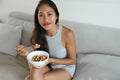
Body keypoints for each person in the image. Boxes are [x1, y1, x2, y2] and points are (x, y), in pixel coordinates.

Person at [16, 0, 76, 80]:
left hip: (64, 68)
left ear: (56, 16)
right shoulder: (36, 32)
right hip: (47, 66)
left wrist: (51, 60)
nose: (45, 19)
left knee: (37, 78)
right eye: (41, 15)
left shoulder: (67, 34)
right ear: (37, 18)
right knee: (34, 70)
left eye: (49, 14)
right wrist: (27, 53)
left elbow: (72, 60)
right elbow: (37, 55)